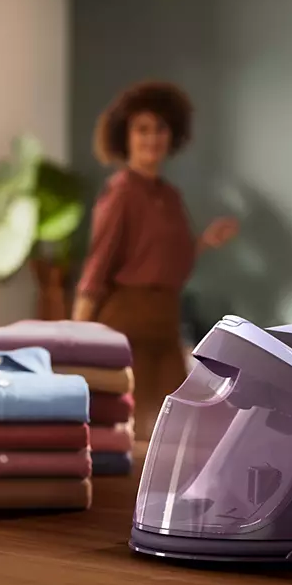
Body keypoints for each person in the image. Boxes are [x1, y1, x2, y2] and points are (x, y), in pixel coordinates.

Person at [72, 81, 238, 439]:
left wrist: (205, 242)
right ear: (126, 136)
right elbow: (97, 268)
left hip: (165, 324)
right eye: (142, 129)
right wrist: (76, 340)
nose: (152, 138)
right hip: (126, 325)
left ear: (172, 135)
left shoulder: (170, 196)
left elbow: (165, 261)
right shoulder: (121, 192)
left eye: (160, 128)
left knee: (175, 432)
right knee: (128, 434)